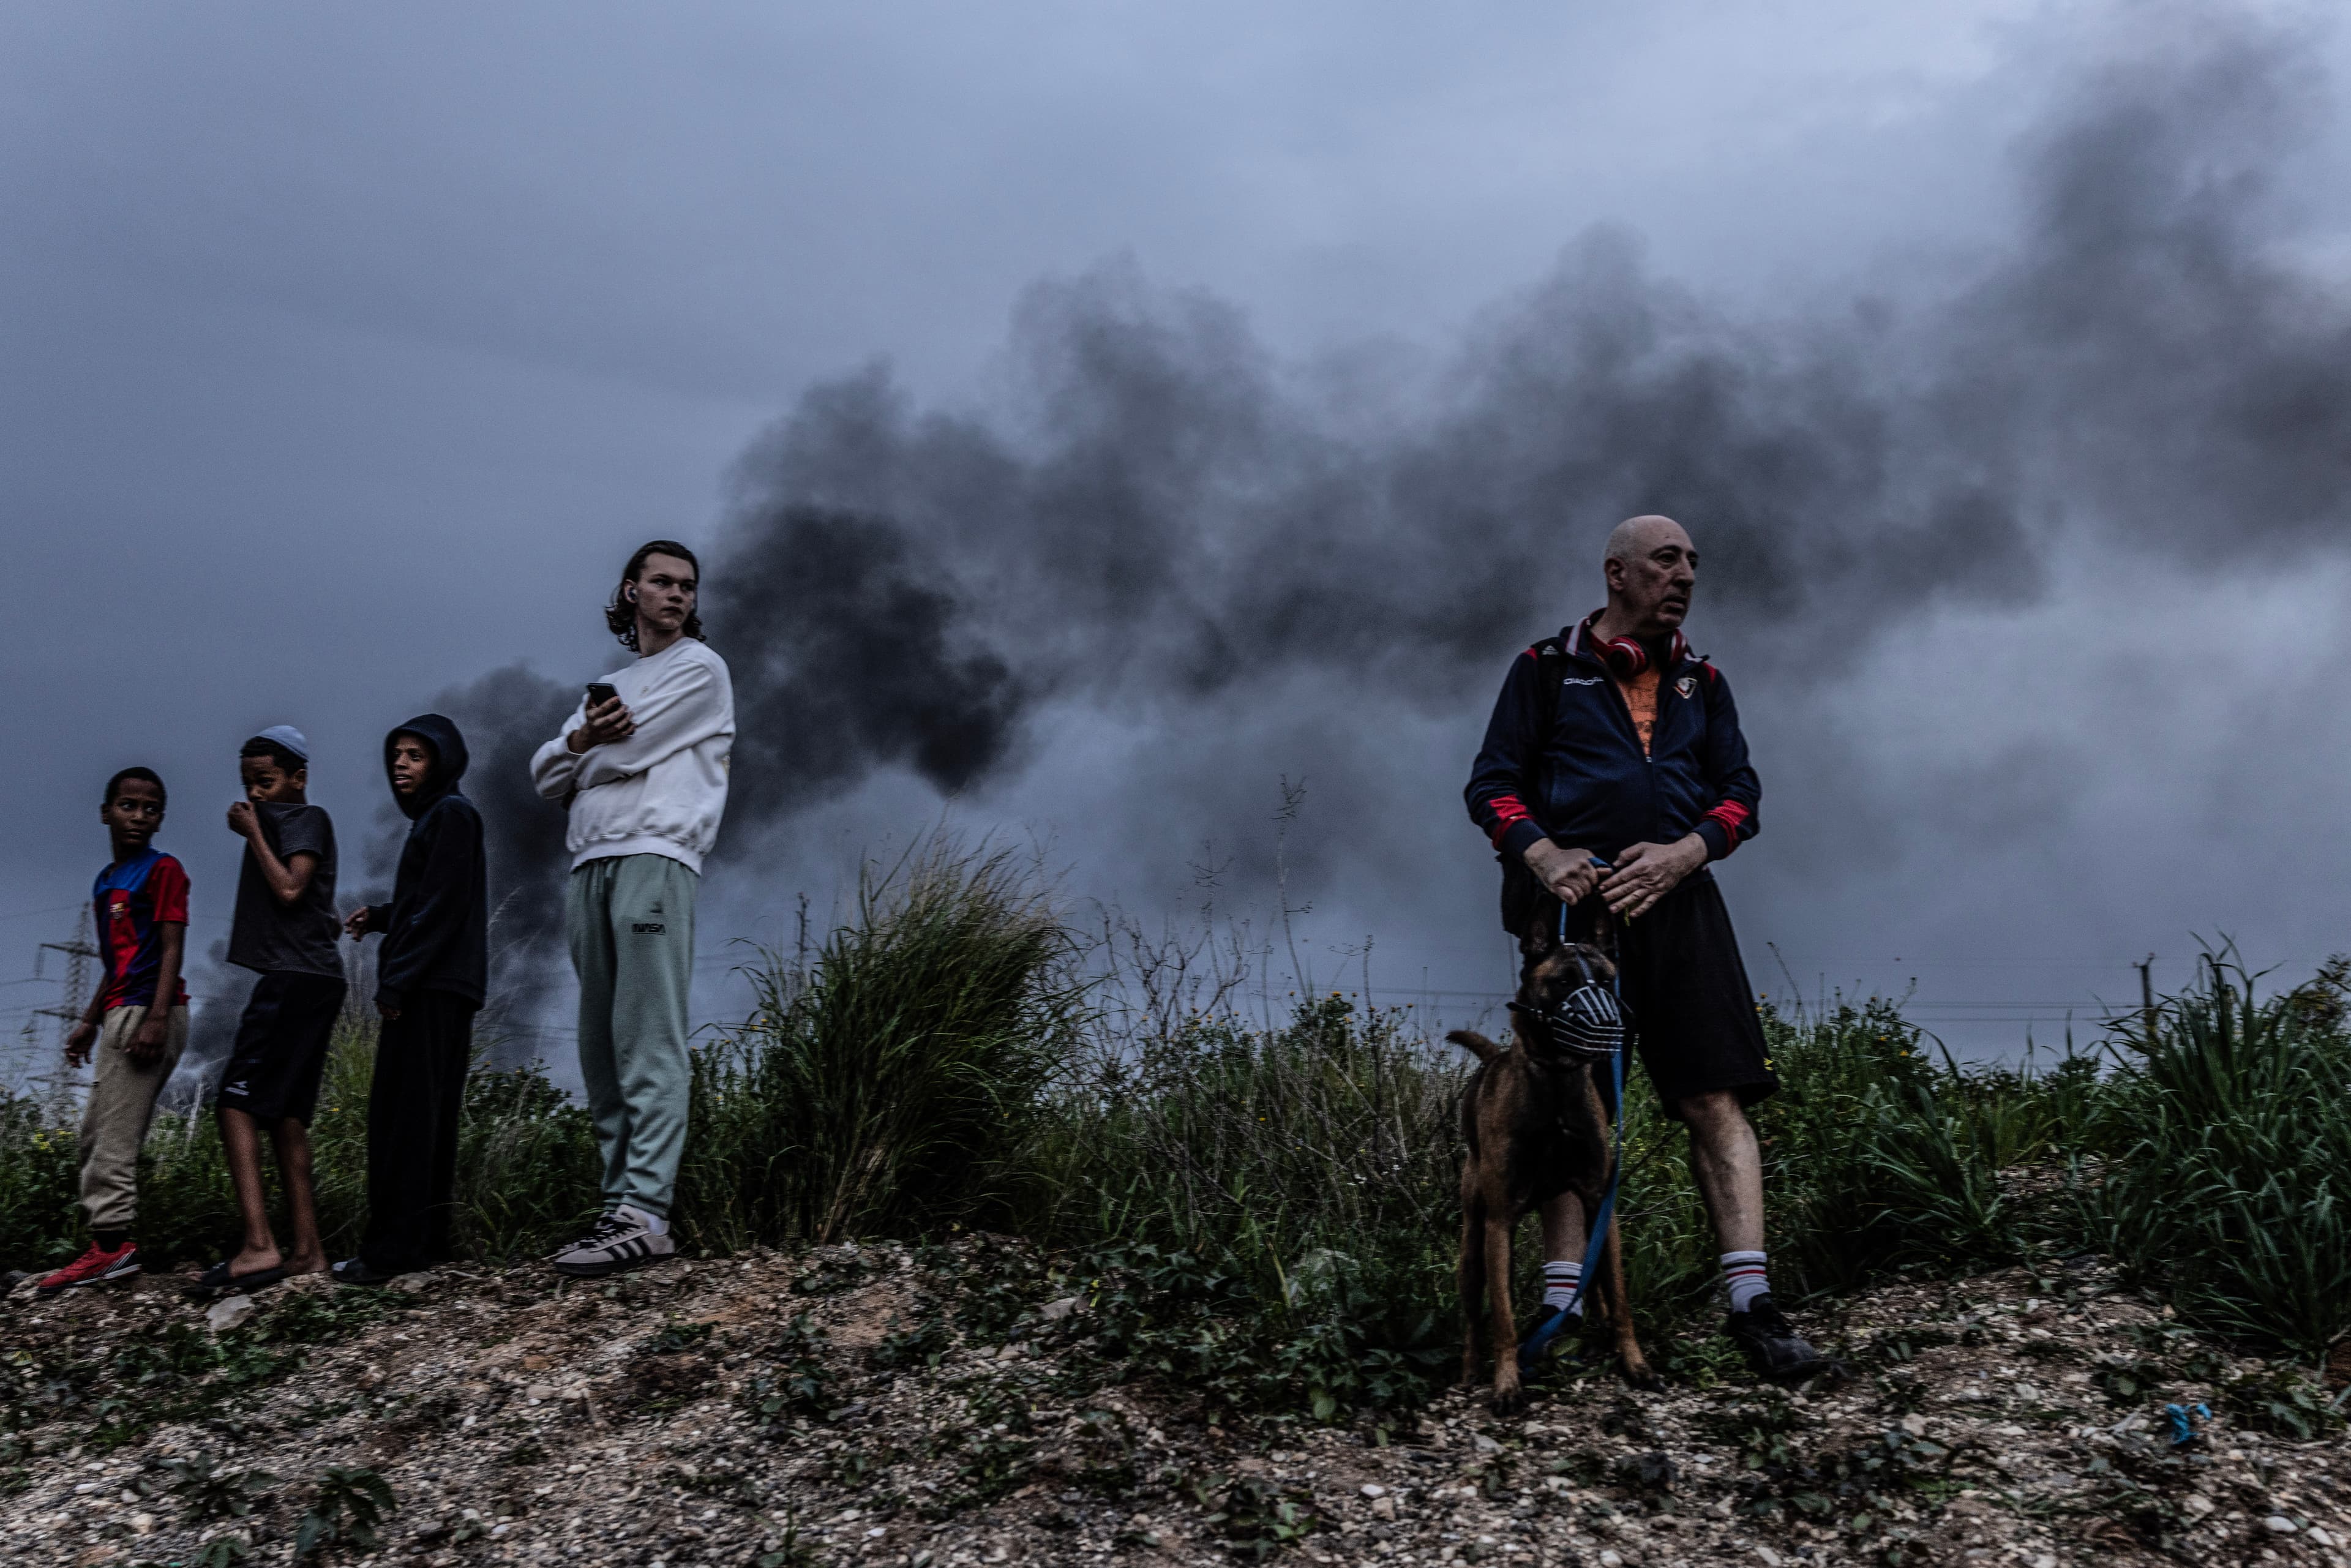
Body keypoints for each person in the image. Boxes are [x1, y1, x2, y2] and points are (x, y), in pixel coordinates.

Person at [1464, 514, 1826, 1379]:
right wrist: (1544, 853)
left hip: (1683, 910)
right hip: (1570, 922)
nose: (1687, 576)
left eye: (1694, 563)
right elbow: (1491, 786)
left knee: (1715, 1098)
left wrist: (1686, 851)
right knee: (1567, 1105)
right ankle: (1562, 1305)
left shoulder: (1705, 681)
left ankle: (1754, 1306)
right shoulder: (1544, 671)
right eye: (1668, 561)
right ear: (1616, 573)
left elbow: (1742, 796)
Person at [530, 540, 733, 1277]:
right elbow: (543, 773)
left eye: (687, 585)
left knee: (648, 1036)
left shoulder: (701, 670)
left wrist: (584, 752)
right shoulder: (615, 681)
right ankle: (619, 1204)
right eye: (662, 582)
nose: (676, 594)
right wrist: (585, 741)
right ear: (630, 591)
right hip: (590, 863)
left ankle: (648, 1210)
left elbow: (622, 751)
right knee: (601, 1045)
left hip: (657, 854)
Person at [333, 716, 487, 1286]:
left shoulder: (449, 815)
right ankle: (424, 1242)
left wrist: (396, 982)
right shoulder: (444, 818)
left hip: (428, 987)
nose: (401, 763)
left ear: (443, 761)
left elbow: (440, 910)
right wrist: (380, 917)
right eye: (396, 754)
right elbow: (432, 902)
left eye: (416, 755)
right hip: (448, 985)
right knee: (428, 1119)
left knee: (401, 1118)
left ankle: (392, 1252)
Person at [36, 768, 190, 1295]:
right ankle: (104, 1245)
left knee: (116, 1140)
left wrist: (156, 1016)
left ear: (161, 818)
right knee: (94, 1134)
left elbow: (170, 947)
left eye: (150, 809)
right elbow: (116, 960)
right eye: (128, 806)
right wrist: (88, 1019)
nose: (138, 817)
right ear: (106, 812)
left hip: (150, 1011)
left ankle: (114, 1250)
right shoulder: (107, 880)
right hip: (121, 1009)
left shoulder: (164, 870)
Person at [201, 726, 345, 1291]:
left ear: (299, 779)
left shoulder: (305, 819)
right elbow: (313, 905)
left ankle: (260, 1245)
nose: (255, 794)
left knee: (234, 1104)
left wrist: (252, 831)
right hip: (309, 976)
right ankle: (308, 1250)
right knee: (285, 1117)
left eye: (266, 781)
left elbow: (290, 887)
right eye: (248, 785)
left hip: (295, 980)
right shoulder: (286, 822)